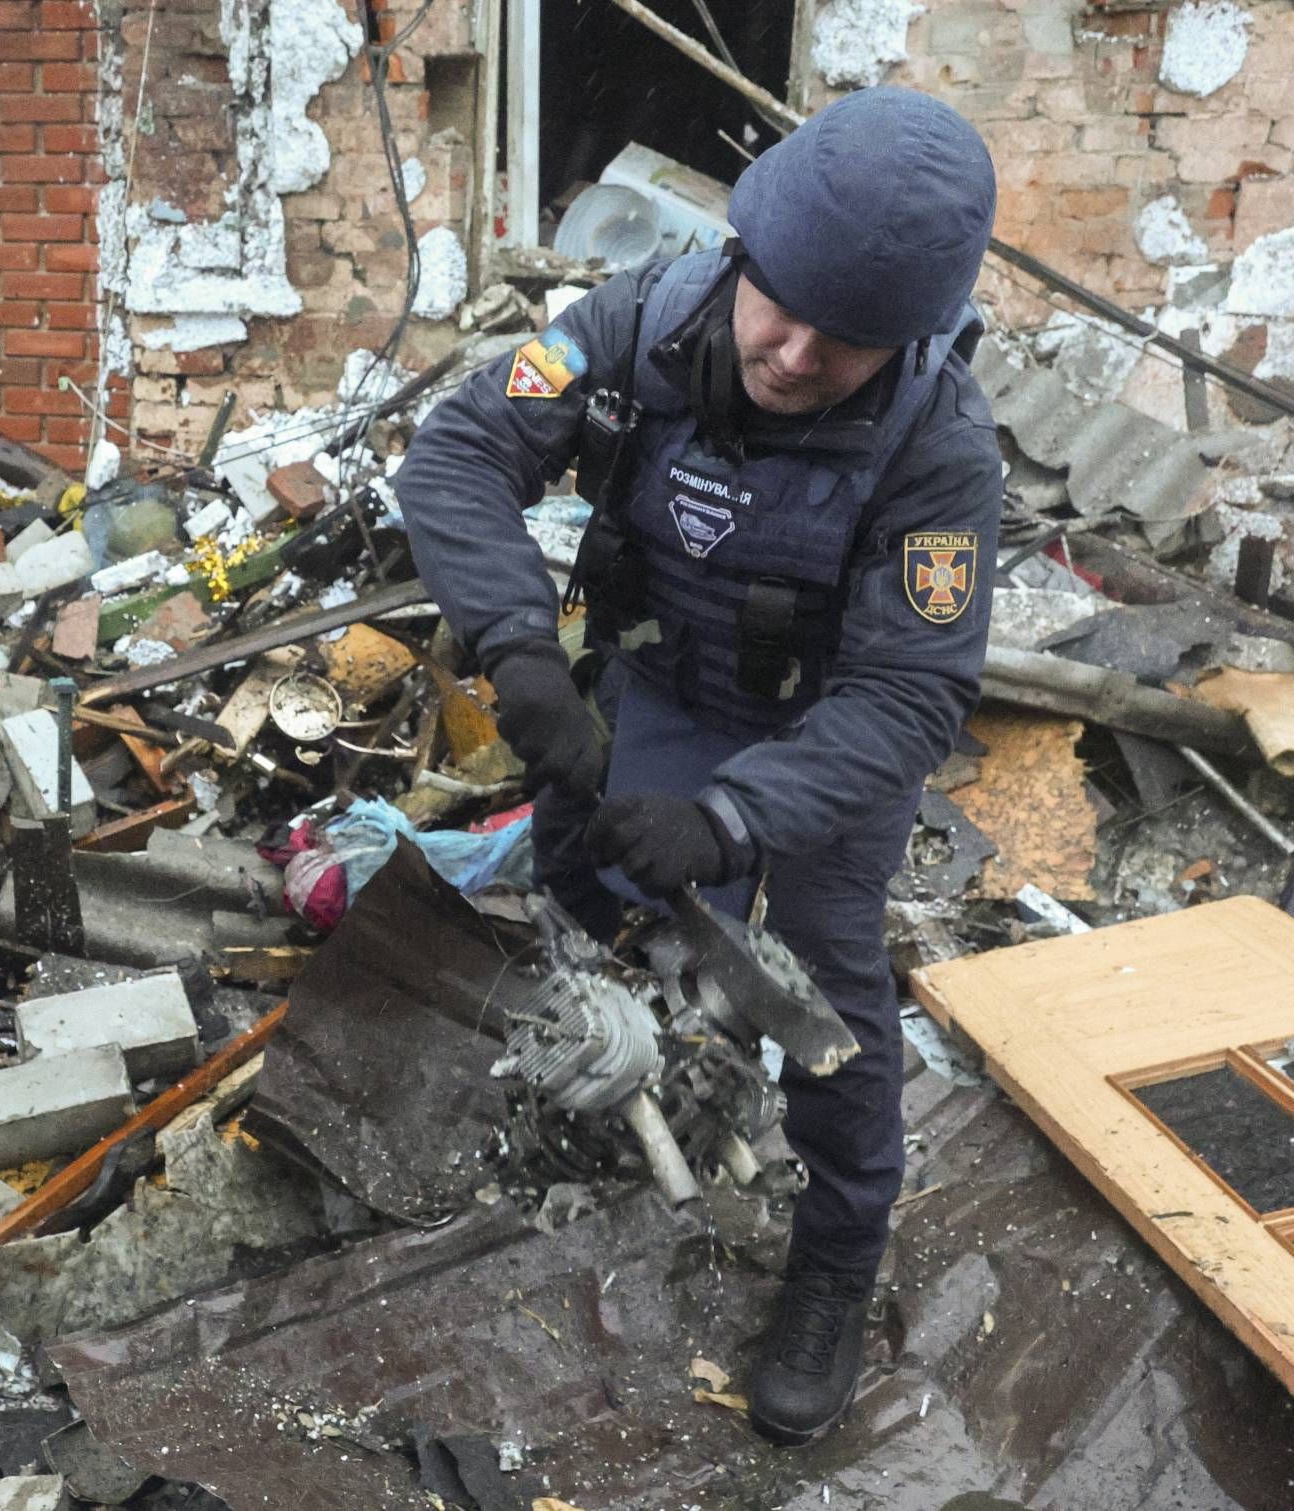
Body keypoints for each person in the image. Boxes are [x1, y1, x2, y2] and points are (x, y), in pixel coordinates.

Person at [395, 86, 1001, 1445]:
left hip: (825, 742)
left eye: (845, 344)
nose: (794, 355)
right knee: (587, 873)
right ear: (741, 256)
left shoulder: (940, 449)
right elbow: (462, 452)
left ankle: (835, 1258)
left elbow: (911, 692)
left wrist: (733, 819)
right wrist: (520, 651)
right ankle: (623, 1084)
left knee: (824, 996)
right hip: (663, 679)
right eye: (779, 311)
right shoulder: (631, 327)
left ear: (908, 339)